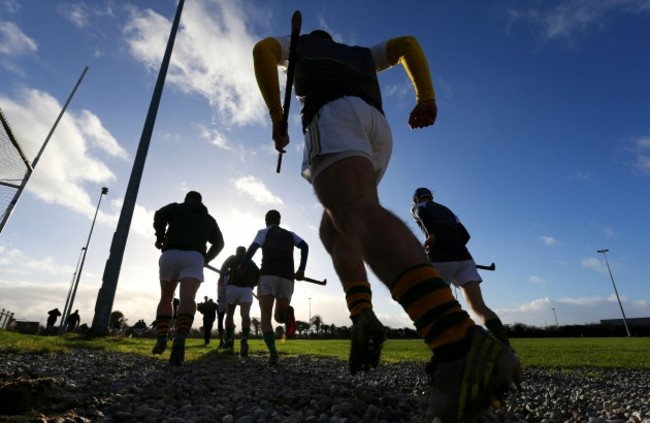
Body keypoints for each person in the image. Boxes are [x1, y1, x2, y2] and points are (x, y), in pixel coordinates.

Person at [253, 29, 520, 420]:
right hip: (378, 127)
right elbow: (407, 44)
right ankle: (361, 313)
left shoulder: (301, 46)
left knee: (354, 212)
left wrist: (278, 119)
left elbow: (262, 49)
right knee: (335, 226)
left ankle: (457, 344)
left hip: (333, 115)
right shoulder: (361, 53)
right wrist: (426, 98)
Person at [411, 187, 511, 348]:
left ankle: (450, 351)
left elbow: (421, 215)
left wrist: (432, 235)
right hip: (465, 259)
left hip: (440, 259)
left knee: (436, 306)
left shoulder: (419, 206)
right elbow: (465, 235)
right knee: (479, 306)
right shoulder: (449, 211)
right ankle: (506, 347)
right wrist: (453, 248)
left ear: (416, 199)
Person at [152, 190, 225, 366]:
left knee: (167, 297)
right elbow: (220, 243)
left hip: (171, 253)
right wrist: (205, 259)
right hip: (195, 256)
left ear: (186, 199)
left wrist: (160, 237)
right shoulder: (209, 219)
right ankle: (180, 337)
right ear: (201, 202)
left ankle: (162, 336)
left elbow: (159, 214)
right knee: (188, 298)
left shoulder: (176, 208)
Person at [238, 210, 308, 365]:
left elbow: (253, 247)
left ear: (266, 221)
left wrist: (243, 265)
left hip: (268, 275)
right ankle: (287, 313)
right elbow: (305, 246)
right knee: (278, 317)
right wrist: (302, 269)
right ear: (279, 221)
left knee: (266, 316)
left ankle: (273, 353)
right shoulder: (290, 235)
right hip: (287, 278)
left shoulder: (264, 232)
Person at [219, 246, 260, 357]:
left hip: (233, 288)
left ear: (236, 251)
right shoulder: (251, 262)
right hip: (247, 290)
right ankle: (244, 339)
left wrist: (221, 277)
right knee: (245, 314)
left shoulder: (232, 258)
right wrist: (253, 284)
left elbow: (222, 268)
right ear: (246, 252)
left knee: (230, 313)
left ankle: (229, 339)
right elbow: (258, 275)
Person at [215, 272, 227, 348]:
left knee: (220, 321)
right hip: (228, 301)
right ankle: (229, 338)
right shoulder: (229, 279)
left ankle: (221, 341)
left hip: (221, 303)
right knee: (229, 318)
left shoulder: (220, 280)